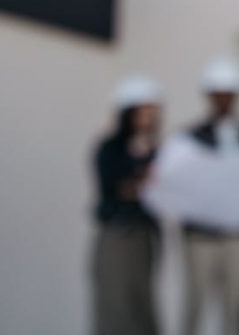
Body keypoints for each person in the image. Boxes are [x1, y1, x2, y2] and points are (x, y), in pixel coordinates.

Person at [182, 56, 239, 335]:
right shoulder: (192, 138)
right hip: (201, 236)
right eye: (219, 95)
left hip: (238, 236)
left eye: (229, 95)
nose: (224, 102)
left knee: (235, 310)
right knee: (195, 307)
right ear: (209, 97)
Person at [91, 74, 163, 335]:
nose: (148, 119)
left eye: (152, 113)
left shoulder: (156, 150)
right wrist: (140, 171)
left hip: (143, 235)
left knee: (142, 307)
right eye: (143, 112)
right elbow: (118, 187)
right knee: (115, 307)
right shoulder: (110, 148)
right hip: (118, 233)